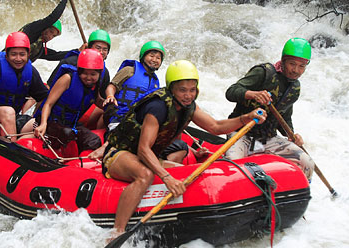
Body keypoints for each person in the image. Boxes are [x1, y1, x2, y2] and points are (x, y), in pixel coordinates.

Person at [103, 60, 266, 237]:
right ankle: (117, 231)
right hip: (119, 153)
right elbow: (143, 149)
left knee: (184, 174)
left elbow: (215, 126)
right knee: (145, 175)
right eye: (182, 90)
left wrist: (246, 118)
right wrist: (166, 178)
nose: (188, 95)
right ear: (172, 89)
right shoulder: (157, 107)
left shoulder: (189, 106)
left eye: (192, 90)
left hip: (146, 157)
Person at [90, 41, 204, 162]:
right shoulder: (130, 70)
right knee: (128, 130)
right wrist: (110, 96)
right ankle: (106, 147)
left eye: (158, 58)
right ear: (143, 56)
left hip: (139, 120)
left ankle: (163, 162)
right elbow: (112, 86)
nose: (154, 59)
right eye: (151, 55)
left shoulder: (156, 83)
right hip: (120, 116)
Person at [224, 37, 315, 181]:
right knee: (234, 168)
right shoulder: (263, 72)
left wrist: (291, 135)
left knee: (307, 162)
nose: (296, 70)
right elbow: (231, 92)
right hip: (242, 133)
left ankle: (291, 196)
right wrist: (253, 94)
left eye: (301, 66)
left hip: (268, 137)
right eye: (292, 64)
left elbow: (284, 117)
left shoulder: (295, 87)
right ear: (283, 61)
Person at [0, 32, 49, 142]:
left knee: (39, 125)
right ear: (6, 55)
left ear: (28, 55)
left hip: (14, 117)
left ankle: (18, 147)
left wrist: (42, 120)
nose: (18, 59)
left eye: (22, 54)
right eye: (13, 54)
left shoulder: (31, 72)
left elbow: (44, 99)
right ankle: (12, 148)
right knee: (8, 112)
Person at [29, 49, 104, 154]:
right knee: (67, 133)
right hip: (51, 123)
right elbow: (48, 104)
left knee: (94, 140)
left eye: (93, 74)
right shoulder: (67, 78)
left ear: (99, 74)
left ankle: (80, 164)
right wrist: (43, 123)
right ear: (79, 71)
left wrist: (110, 105)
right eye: (85, 73)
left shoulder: (95, 86)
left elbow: (98, 101)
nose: (88, 78)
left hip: (71, 125)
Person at [46, 29, 113, 127]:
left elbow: (99, 99)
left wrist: (111, 103)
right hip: (56, 114)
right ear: (89, 47)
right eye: (98, 48)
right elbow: (49, 89)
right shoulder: (69, 62)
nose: (101, 52)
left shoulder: (104, 73)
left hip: (75, 117)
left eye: (105, 49)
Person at [19, 0, 85, 63]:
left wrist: (78, 51)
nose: (50, 37)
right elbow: (52, 18)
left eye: (53, 36)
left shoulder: (39, 49)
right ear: (45, 27)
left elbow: (56, 55)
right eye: (50, 31)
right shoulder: (32, 29)